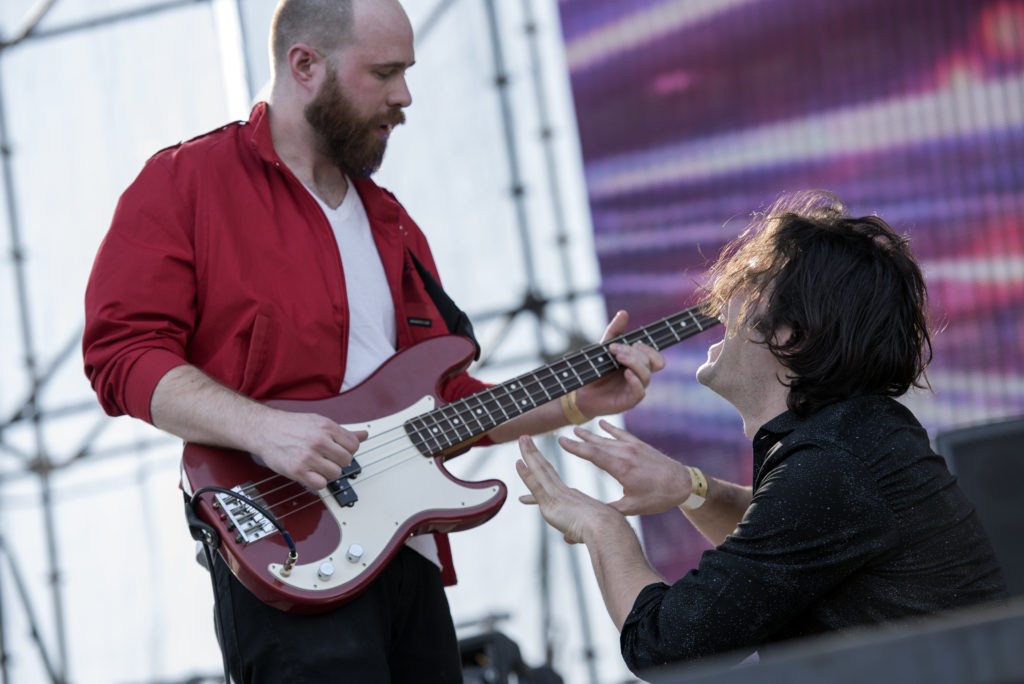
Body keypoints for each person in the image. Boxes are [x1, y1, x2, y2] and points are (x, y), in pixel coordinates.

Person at [81, 0, 664, 681]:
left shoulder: (393, 223)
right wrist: (264, 429)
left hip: (405, 551)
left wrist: (575, 400)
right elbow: (120, 355)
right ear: (305, 65)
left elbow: (448, 405)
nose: (405, 96)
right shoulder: (186, 183)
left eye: (407, 72)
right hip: (283, 543)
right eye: (384, 73)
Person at [515, 190, 1009, 674]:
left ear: (790, 334)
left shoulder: (834, 466)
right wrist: (690, 489)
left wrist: (602, 527)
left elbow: (666, 646)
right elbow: (785, 558)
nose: (721, 302)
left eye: (748, 285)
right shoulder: (853, 444)